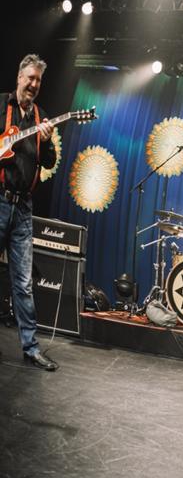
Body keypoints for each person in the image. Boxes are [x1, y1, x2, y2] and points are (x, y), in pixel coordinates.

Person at [0, 54, 58, 371]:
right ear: (20, 77)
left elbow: (47, 164)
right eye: (30, 78)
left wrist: (47, 143)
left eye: (38, 81)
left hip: (23, 207)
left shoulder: (41, 117)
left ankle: (31, 348)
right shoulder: (1, 106)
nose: (34, 85)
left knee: (23, 282)